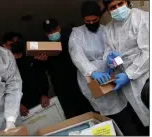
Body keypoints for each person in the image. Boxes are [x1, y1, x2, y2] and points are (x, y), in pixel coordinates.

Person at [68, 1, 142, 135]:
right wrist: (92, 72)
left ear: (99, 17)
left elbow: (115, 51)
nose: (91, 24)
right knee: (103, 120)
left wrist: (112, 63)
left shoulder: (106, 30)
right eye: (87, 21)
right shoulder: (77, 33)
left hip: (111, 77)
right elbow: (76, 54)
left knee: (124, 115)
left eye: (94, 20)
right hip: (91, 80)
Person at [102, 0, 149, 135]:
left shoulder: (141, 18)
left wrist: (129, 74)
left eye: (120, 3)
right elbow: (111, 54)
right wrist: (111, 61)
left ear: (126, 2)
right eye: (112, 7)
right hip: (127, 83)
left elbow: (148, 53)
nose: (117, 9)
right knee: (142, 119)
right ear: (108, 10)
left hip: (146, 76)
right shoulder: (109, 29)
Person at [42, 18, 94, 119]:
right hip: (62, 90)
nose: (53, 33)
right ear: (46, 34)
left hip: (79, 84)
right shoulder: (45, 49)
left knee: (90, 112)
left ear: (59, 28)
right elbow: (41, 71)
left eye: (54, 30)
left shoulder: (70, 40)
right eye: (49, 32)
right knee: (73, 117)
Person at [10, 41, 50, 116]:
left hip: (39, 101)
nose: (15, 43)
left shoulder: (32, 59)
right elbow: (3, 89)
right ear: (5, 46)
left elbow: (42, 77)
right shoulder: (5, 65)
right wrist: (17, 105)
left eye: (17, 40)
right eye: (12, 42)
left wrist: (44, 94)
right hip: (21, 107)